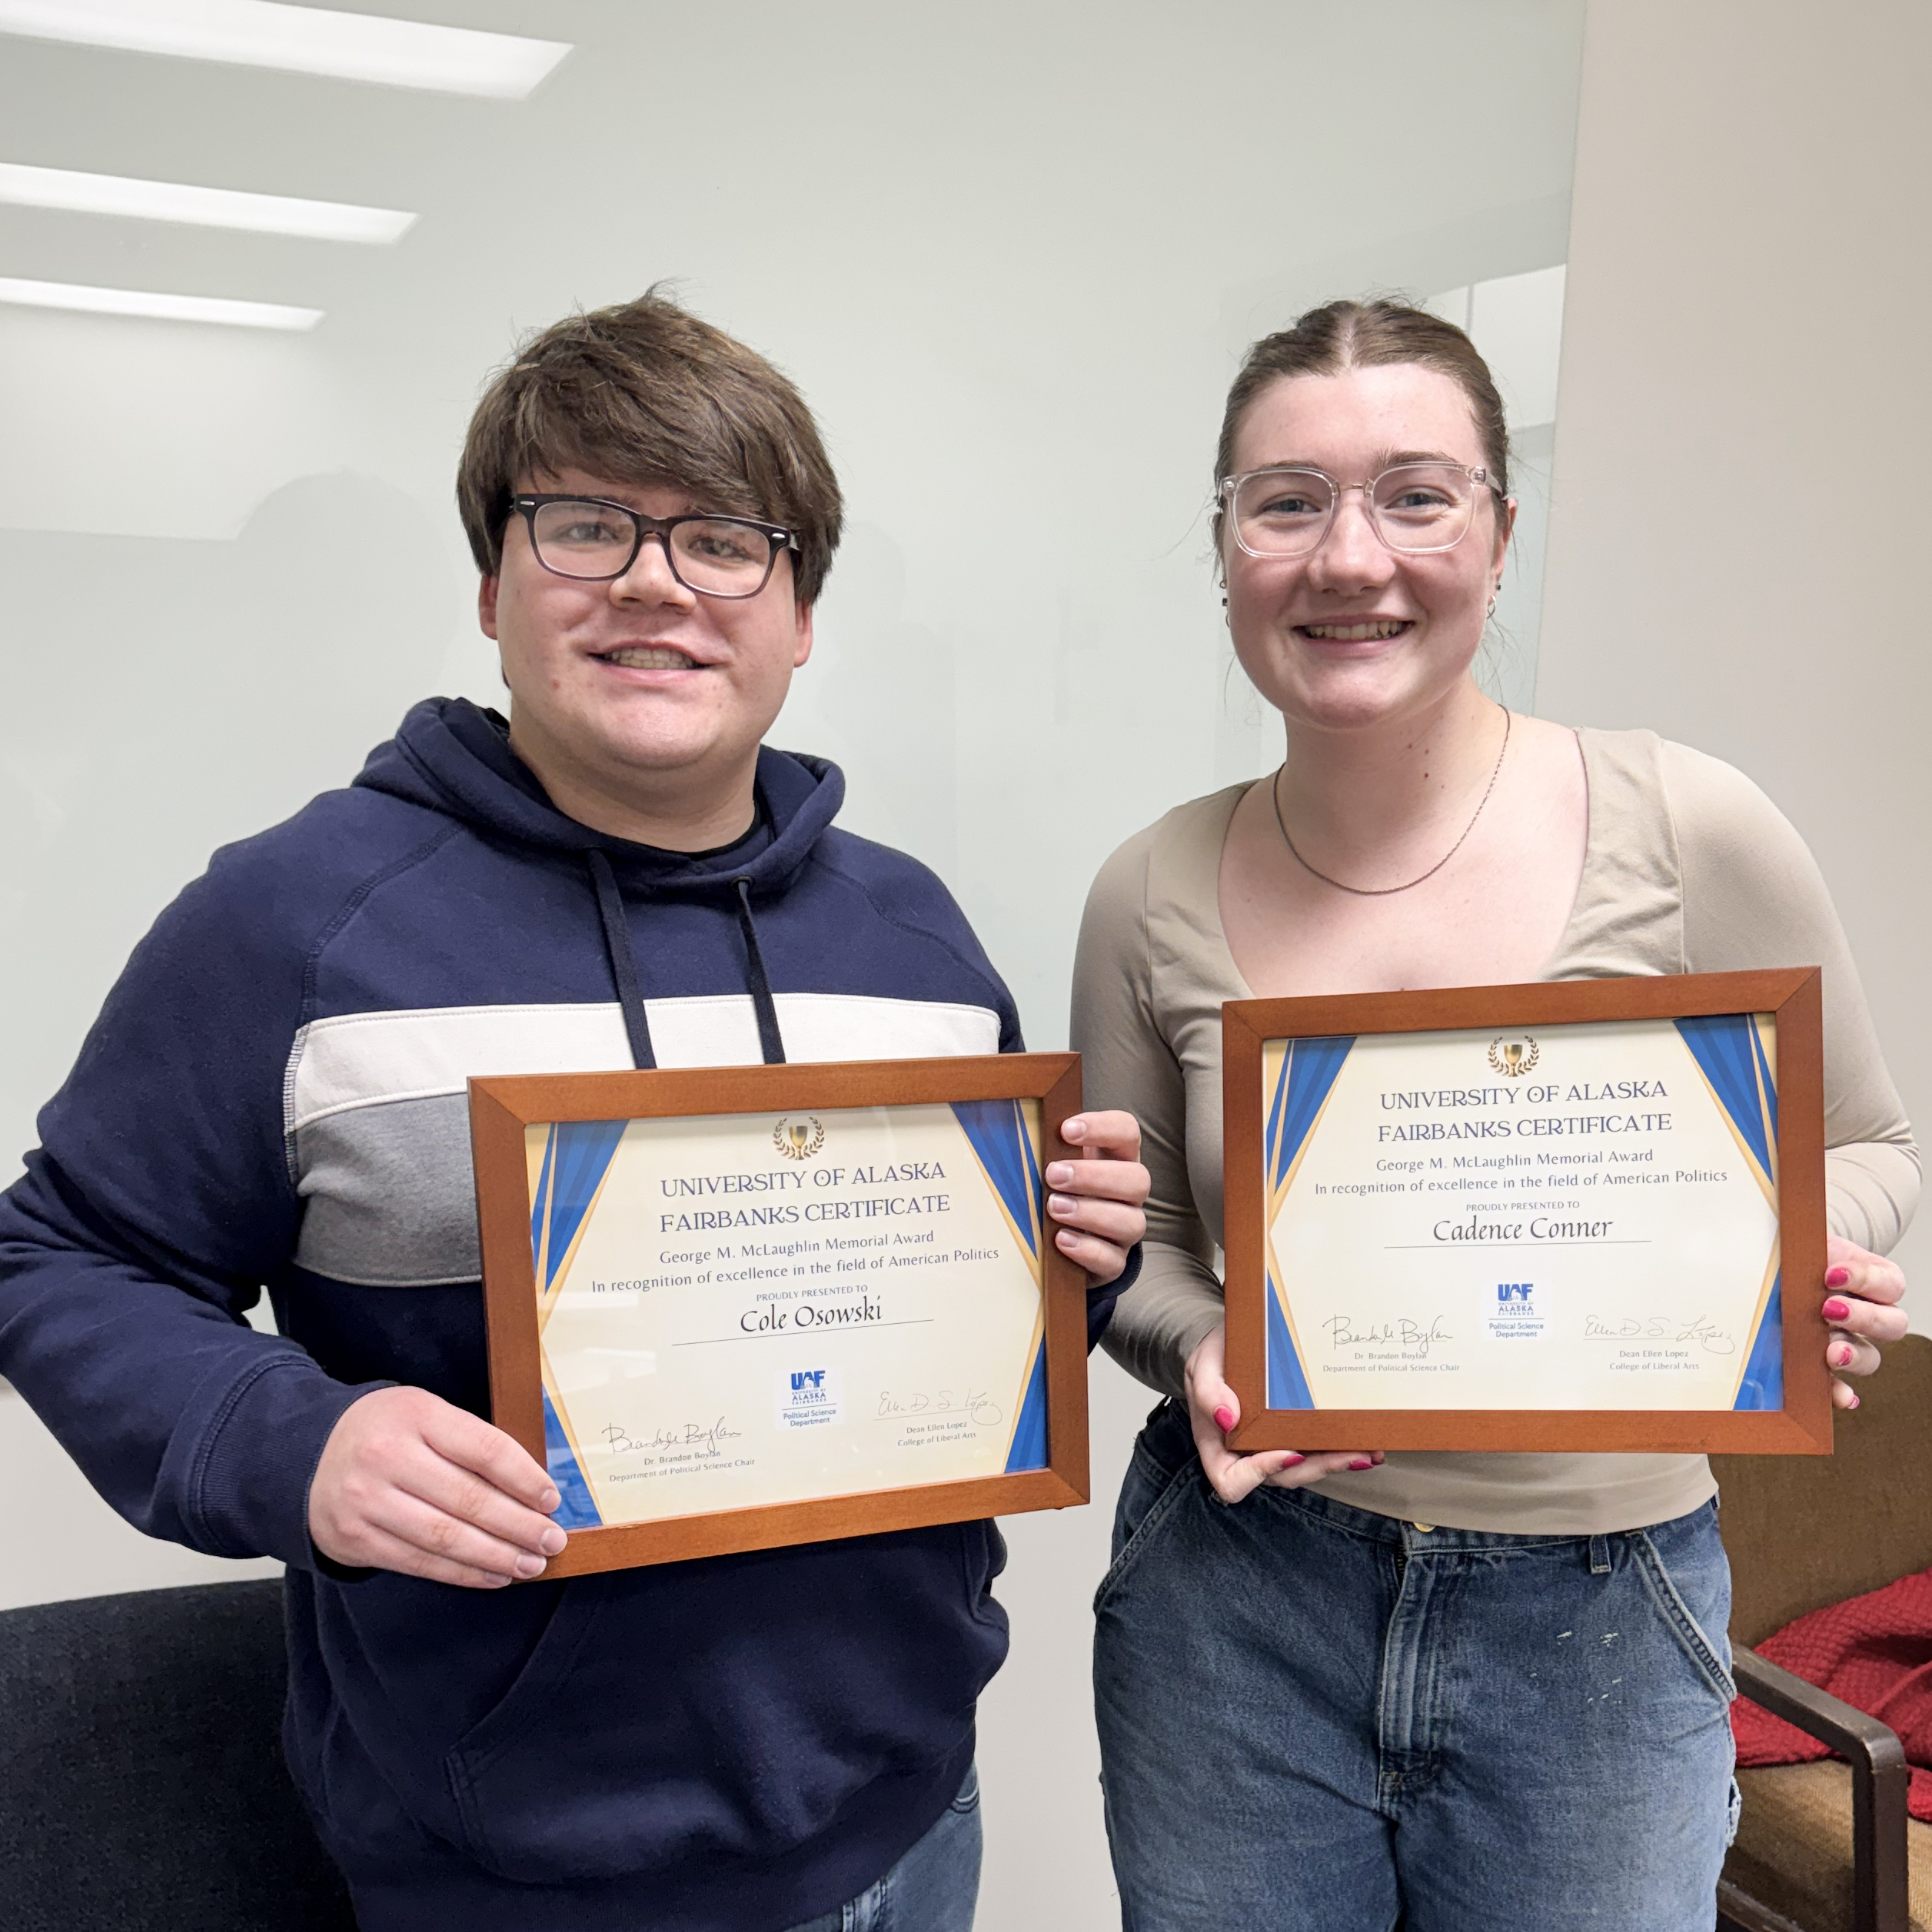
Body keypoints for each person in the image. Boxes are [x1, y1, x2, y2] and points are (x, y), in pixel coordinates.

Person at [0, 292, 1149, 1932]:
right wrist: (293, 1439)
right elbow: (62, 1255)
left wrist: (1068, 1260)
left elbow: (946, 1328)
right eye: (586, 524)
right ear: (491, 584)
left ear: (802, 610)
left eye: (726, 540)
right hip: (521, 1871)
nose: (657, 582)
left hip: (906, 1806)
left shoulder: (916, 938)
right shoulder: (297, 924)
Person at [1072, 298, 1914, 1932]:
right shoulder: (1149, 886)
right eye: (1287, 500)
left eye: (1416, 492)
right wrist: (1197, 1350)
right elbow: (1137, 1256)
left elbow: (1872, 1153)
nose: (1348, 555)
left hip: (1600, 1616)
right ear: (1229, 544)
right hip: (1238, 1607)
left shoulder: (1689, 827)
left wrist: (1804, 1251)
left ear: (1502, 532)